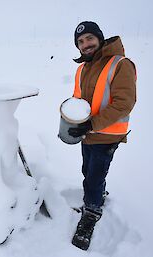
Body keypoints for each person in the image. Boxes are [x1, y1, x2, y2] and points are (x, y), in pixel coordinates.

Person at [68, 21, 137, 250]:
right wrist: (70, 119)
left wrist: (91, 124)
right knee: (88, 170)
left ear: (99, 38)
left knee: (94, 177)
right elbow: (78, 101)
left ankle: (91, 212)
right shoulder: (83, 68)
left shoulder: (120, 64)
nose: (85, 44)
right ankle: (97, 195)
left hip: (106, 135)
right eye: (80, 41)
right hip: (88, 134)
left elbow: (124, 104)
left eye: (89, 38)